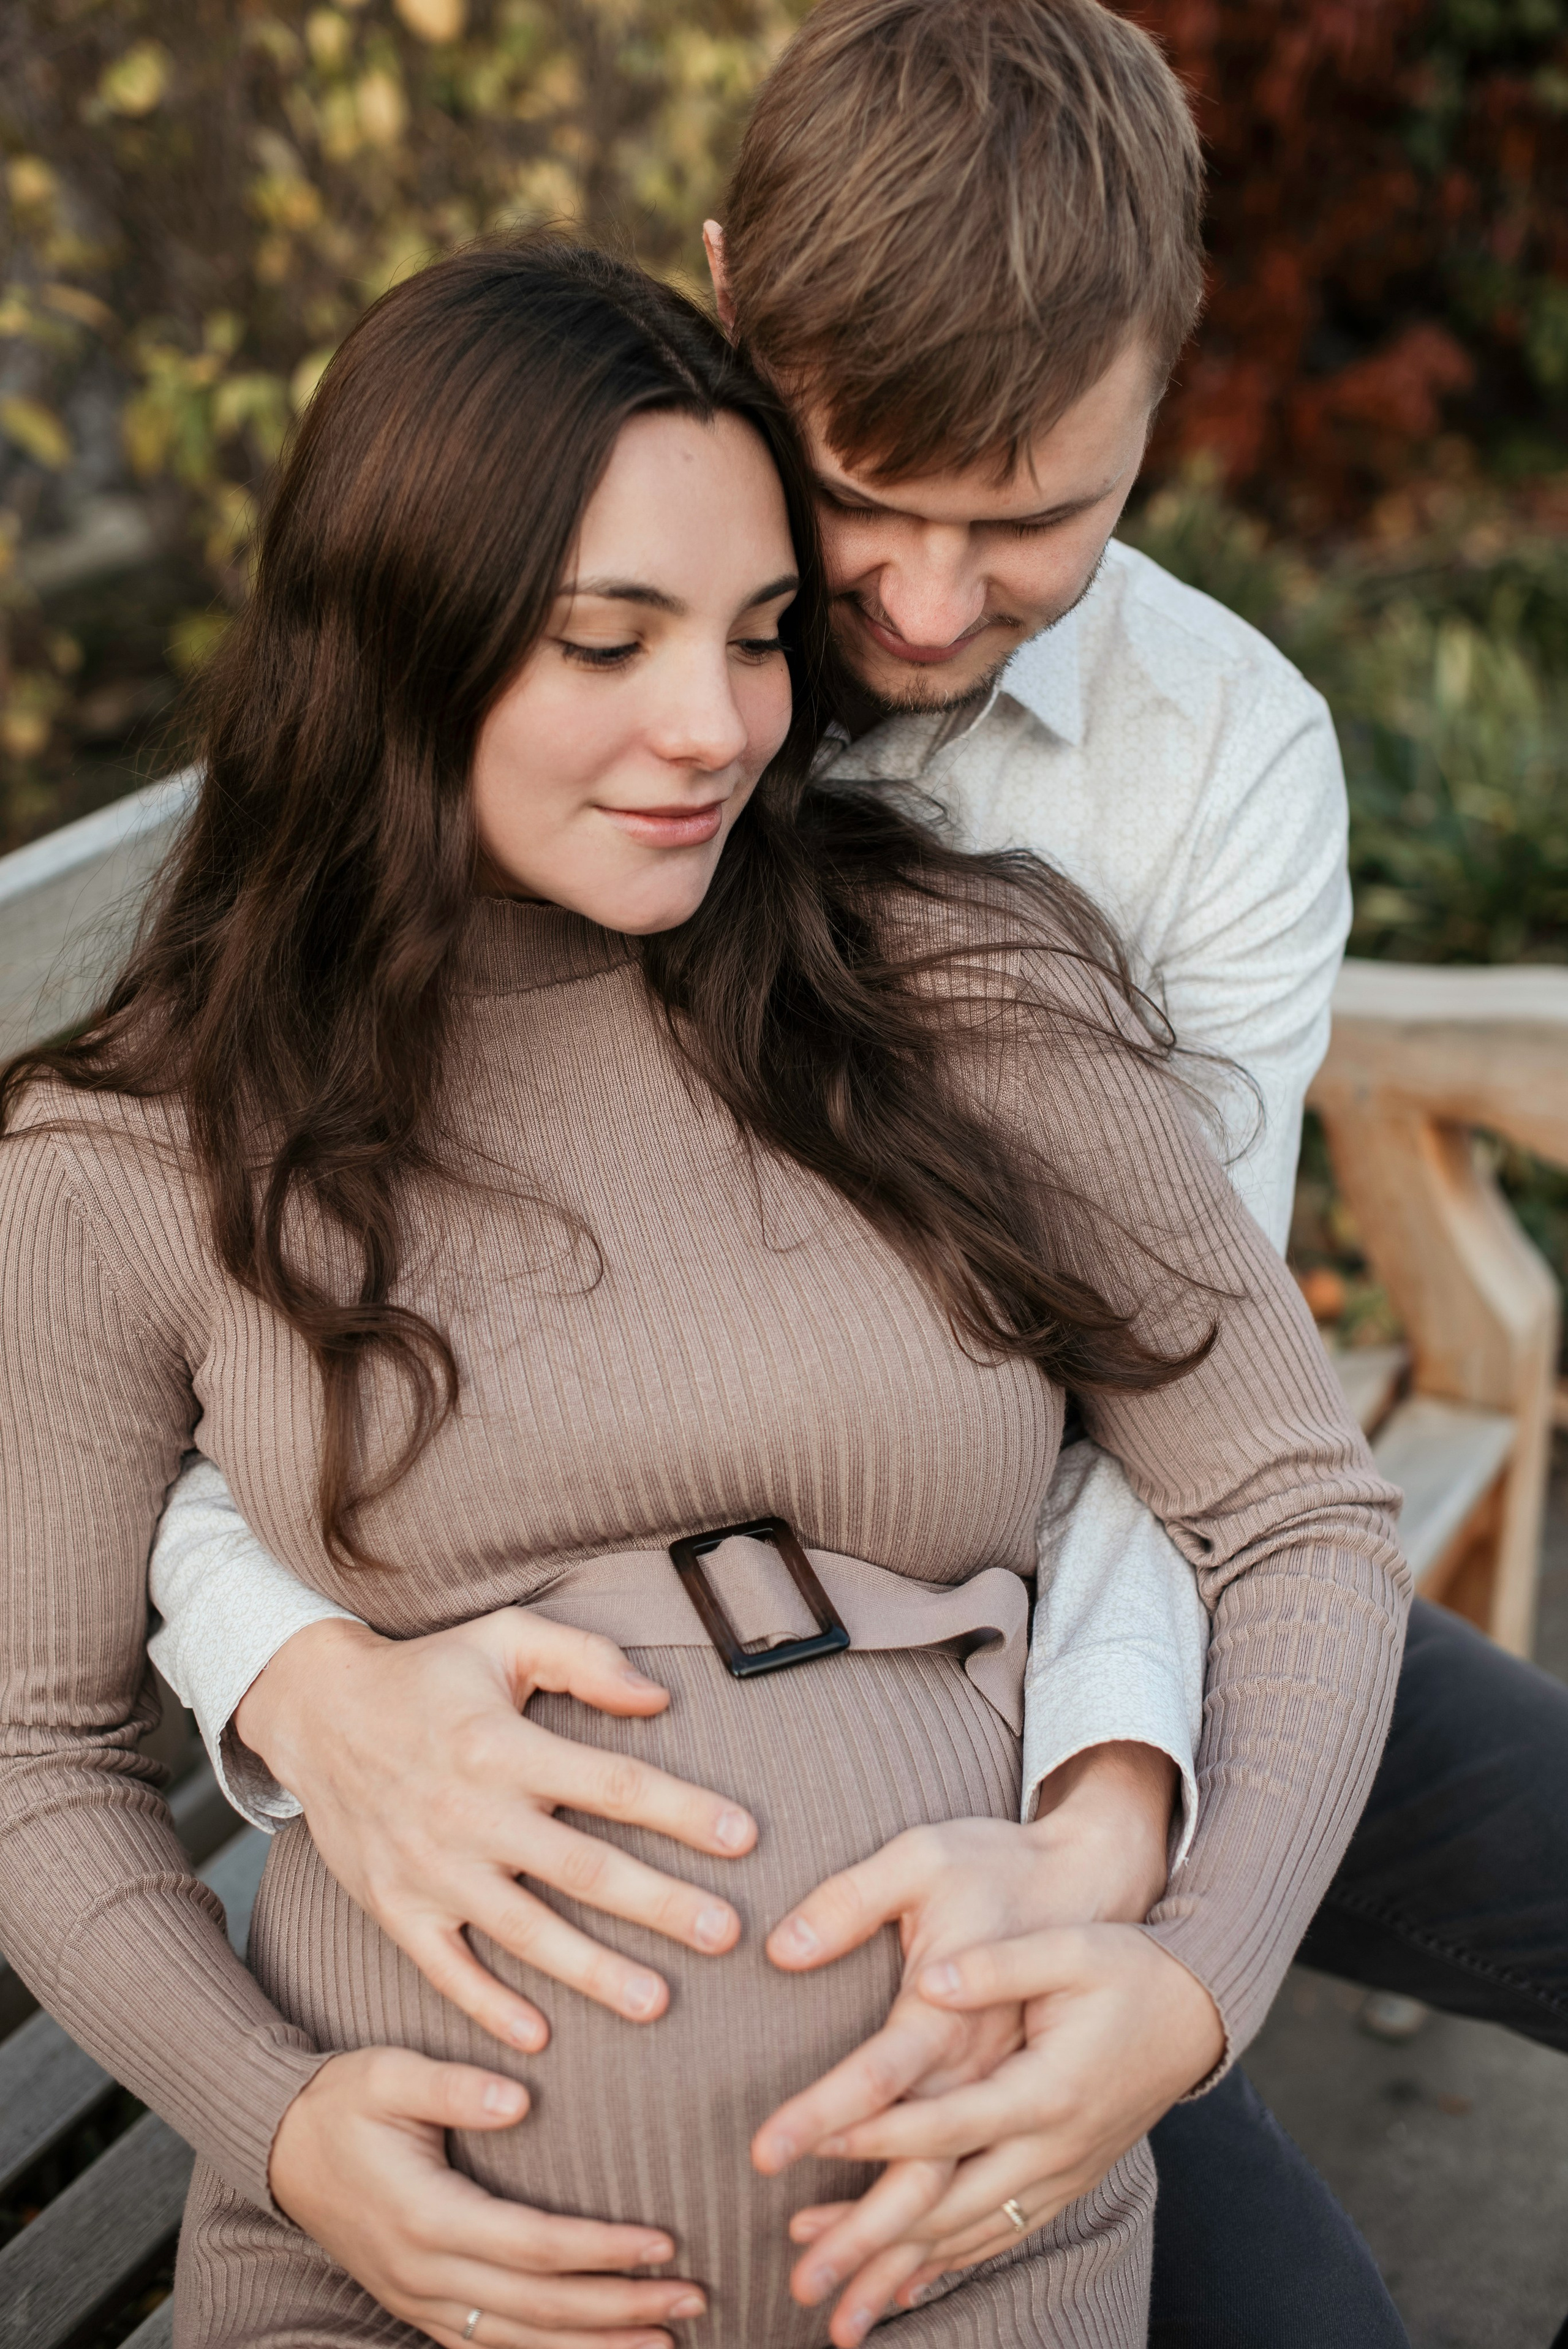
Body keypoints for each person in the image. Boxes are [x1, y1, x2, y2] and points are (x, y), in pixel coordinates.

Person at [0, 236, 1407, 2348]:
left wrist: (1188, 1989)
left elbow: (1292, 1502)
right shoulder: (145, 1148)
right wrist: (281, 2126)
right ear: (397, 634)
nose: (718, 726)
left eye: (760, 636)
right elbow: (30, 1741)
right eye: (607, 638)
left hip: (974, 2233)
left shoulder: (956, 982)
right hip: (400, 2291)